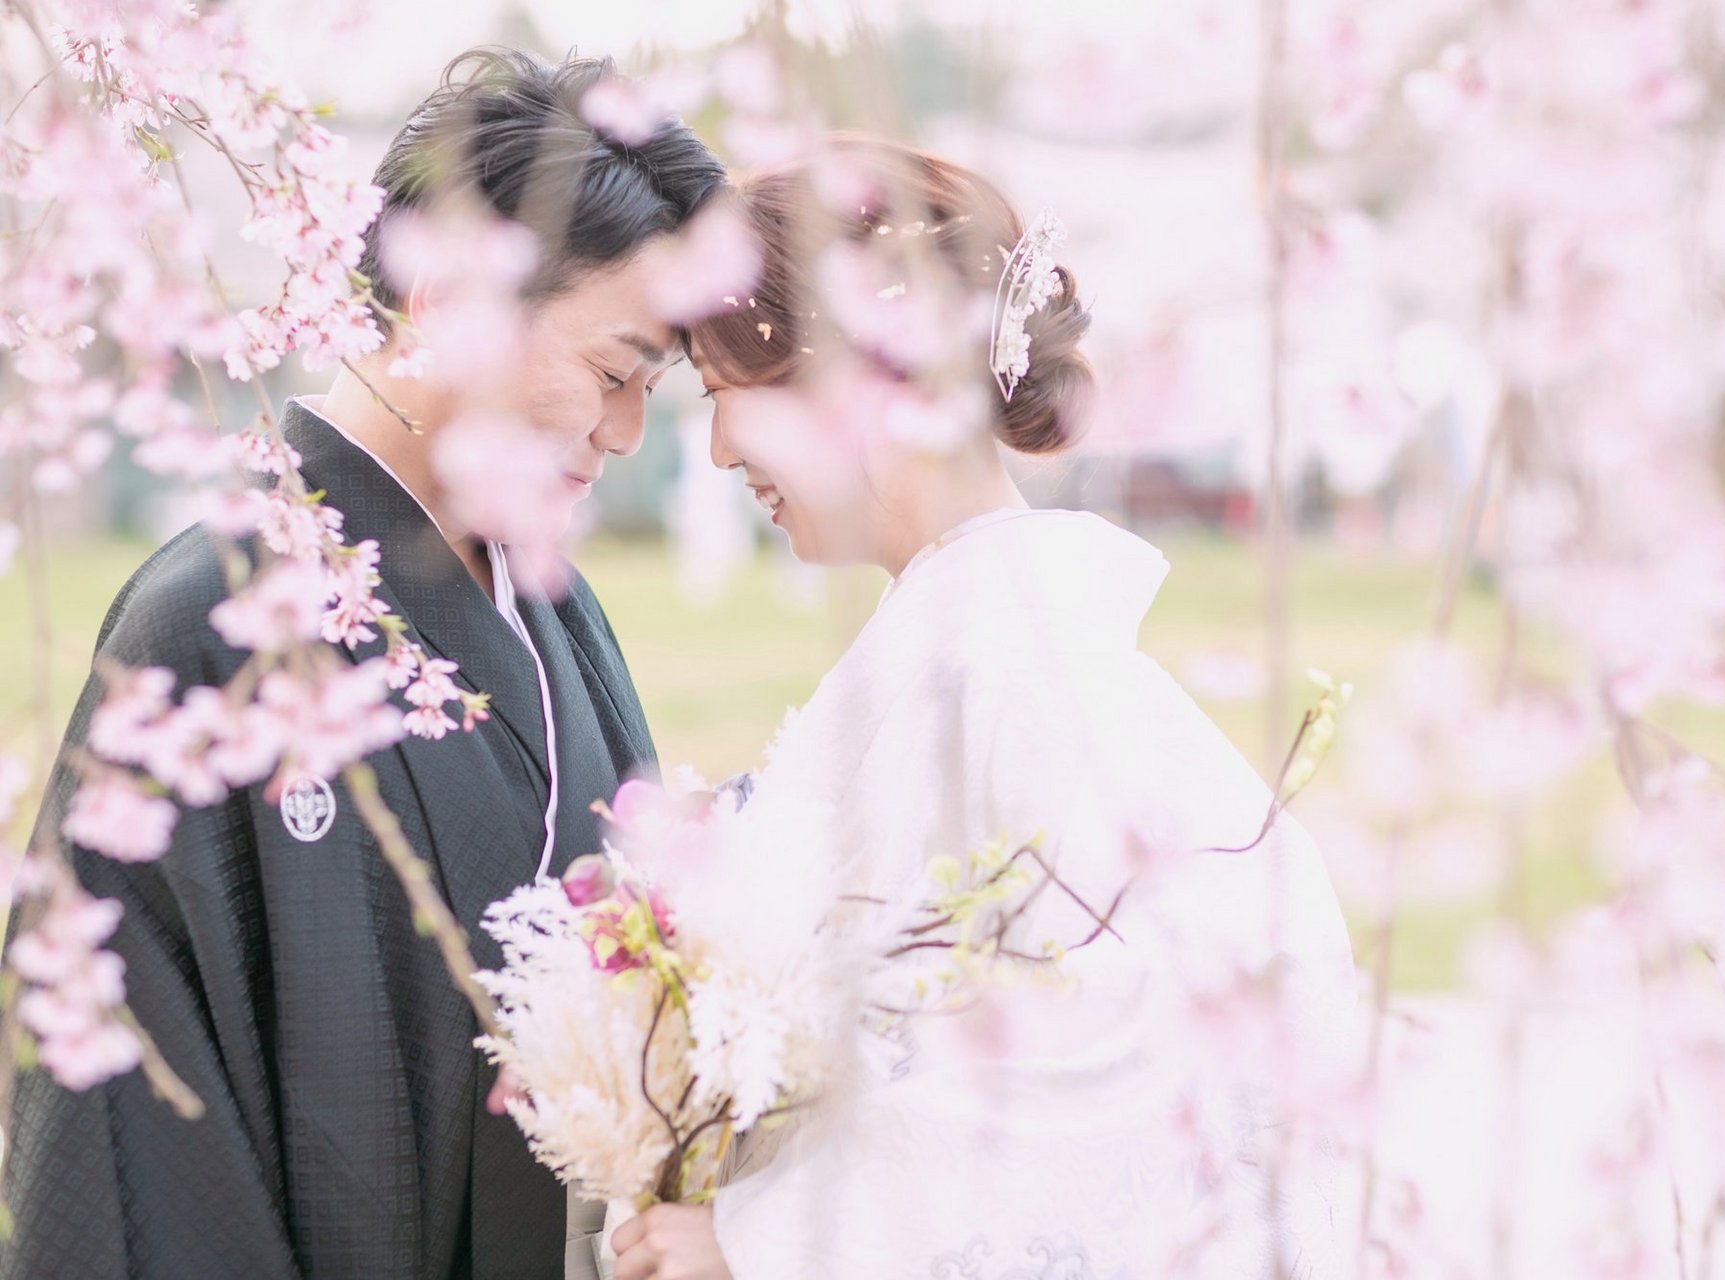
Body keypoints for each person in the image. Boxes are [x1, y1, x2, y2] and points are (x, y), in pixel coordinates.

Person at [1, 48, 723, 1279]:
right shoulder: (212, 626)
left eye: (650, 387)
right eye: (614, 373)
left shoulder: (552, 604)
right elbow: (133, 1139)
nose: (624, 431)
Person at [608, 138, 1356, 1280]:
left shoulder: (1016, 667)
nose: (713, 451)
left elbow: (1115, 1060)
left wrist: (762, 1244)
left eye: (721, 396)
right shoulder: (978, 640)